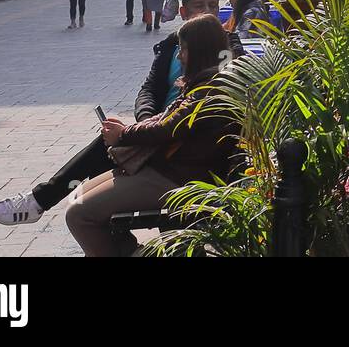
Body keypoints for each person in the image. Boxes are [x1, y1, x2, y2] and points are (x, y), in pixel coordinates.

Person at [0, 0, 239, 227]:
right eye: (199, 6)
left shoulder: (227, 48)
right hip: (158, 133)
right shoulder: (172, 45)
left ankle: (42, 200)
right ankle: (45, 201)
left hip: (181, 148)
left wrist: (141, 132)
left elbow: (196, 113)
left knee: (93, 190)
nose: (207, 12)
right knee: (105, 147)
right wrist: (146, 120)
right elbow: (149, 89)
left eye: (213, 5)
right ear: (183, 12)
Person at [64, 14, 242, 256]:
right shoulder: (207, 81)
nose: (179, 57)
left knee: (79, 213)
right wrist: (126, 130)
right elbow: (167, 119)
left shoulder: (212, 88)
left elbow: (168, 127)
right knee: (78, 196)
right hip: (169, 168)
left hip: (180, 178)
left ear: (199, 51)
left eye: (184, 49)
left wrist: (124, 135)